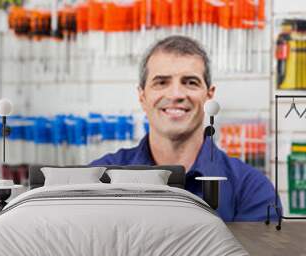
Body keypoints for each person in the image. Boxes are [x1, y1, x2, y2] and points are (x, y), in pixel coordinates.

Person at [90, 35, 281, 222]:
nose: (176, 94)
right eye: (161, 82)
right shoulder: (98, 180)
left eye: (190, 82)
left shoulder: (251, 190)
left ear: (209, 96)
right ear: (142, 97)